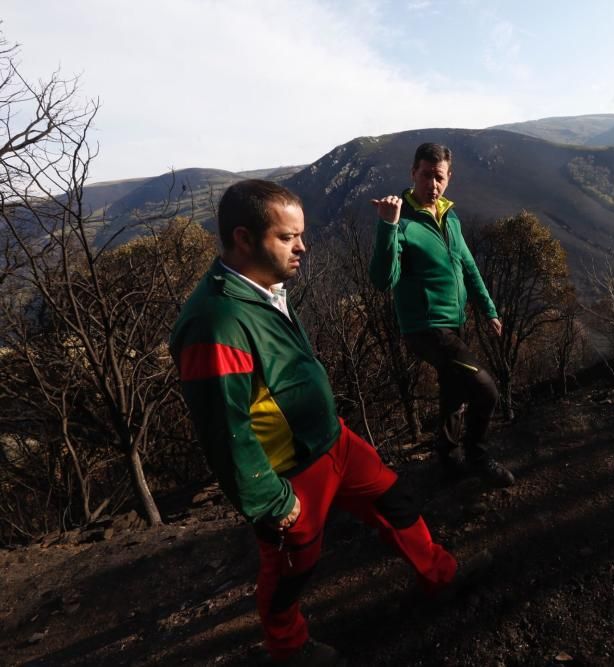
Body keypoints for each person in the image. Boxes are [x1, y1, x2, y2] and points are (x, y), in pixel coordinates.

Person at [170, 179, 459, 665]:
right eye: (287, 237)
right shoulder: (216, 321)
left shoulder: (263, 288)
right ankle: (289, 649)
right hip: (290, 470)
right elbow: (224, 429)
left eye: (300, 235)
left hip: (333, 442)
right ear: (244, 238)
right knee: (292, 568)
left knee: (396, 500)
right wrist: (269, 500)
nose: (302, 246)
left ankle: (441, 575)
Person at [369, 142, 515, 487]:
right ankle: (477, 454)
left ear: (448, 178)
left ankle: (447, 460)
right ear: (412, 174)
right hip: (426, 328)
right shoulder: (402, 221)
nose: (432, 185)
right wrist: (388, 227)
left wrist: (489, 309)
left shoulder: (451, 219)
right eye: (425, 176)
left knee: (453, 391)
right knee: (485, 390)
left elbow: (469, 267)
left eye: (439, 177)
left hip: (454, 324)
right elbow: (382, 280)